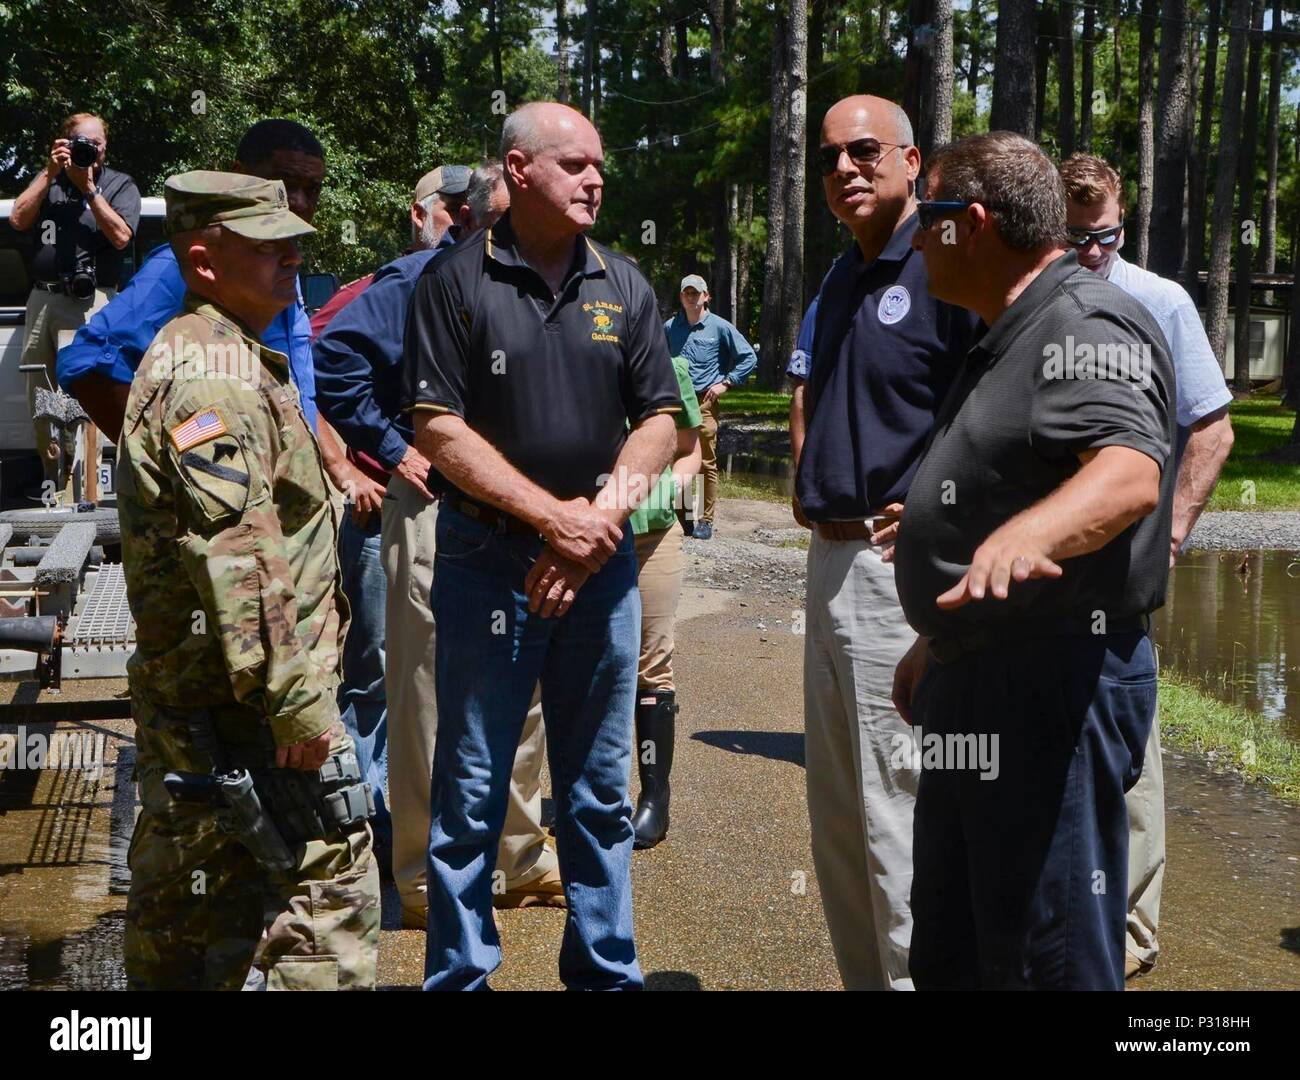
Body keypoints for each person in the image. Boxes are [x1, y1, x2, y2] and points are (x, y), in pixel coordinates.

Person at [403, 101, 680, 990]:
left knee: (599, 792)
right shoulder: (455, 282)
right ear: (519, 171)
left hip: (600, 571)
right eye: (576, 164)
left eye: (601, 165)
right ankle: (460, 975)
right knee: (473, 791)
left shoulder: (624, 283)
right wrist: (548, 519)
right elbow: (438, 427)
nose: (596, 178)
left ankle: (604, 972)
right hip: (486, 566)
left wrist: (597, 522)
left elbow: (663, 420)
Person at [893, 131, 1175, 990]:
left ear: (971, 224)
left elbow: (1129, 472)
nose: (913, 239)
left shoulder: (1080, 319)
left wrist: (1028, 538)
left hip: (1053, 687)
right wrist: (940, 634)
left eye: (926, 218)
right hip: (983, 673)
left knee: (1043, 955)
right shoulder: (1009, 329)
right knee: (958, 943)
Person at [118, 171, 379, 990]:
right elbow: (237, 550)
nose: (292, 254)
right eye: (267, 246)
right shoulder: (213, 377)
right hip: (254, 717)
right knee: (326, 914)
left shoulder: (229, 352)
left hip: (224, 708)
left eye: (293, 240)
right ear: (203, 262)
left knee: (196, 928)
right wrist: (298, 703)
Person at [313, 161, 563, 921]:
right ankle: (421, 877)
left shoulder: (546, 285)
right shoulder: (418, 279)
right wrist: (394, 451)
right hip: (430, 508)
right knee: (419, 691)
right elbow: (331, 360)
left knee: (522, 694)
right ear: (476, 215)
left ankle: (521, 859)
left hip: (520, 510)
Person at [790, 95, 979, 991]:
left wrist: (950, 509)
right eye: (829, 159)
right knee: (836, 817)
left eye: (864, 151)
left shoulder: (946, 266)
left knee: (895, 806)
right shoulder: (839, 279)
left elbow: (998, 411)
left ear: (912, 160)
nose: (845, 170)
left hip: (893, 568)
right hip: (829, 563)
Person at [1059, 153, 1235, 980]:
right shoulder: (1043, 299)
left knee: (1131, 755)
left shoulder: (1161, 301)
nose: (1093, 253)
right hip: (1050, 569)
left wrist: (1172, 535)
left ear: (1124, 223)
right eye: (1078, 237)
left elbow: (1213, 428)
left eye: (1107, 237)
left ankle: (1129, 936)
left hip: (1126, 573)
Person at [57, 118, 325, 442]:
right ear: (239, 173)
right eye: (283, 183)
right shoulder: (191, 266)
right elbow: (88, 363)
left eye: (312, 189)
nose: (297, 202)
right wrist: (170, 458)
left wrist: (337, 466)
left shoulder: (283, 266)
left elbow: (292, 386)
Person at [10, 112, 140, 481]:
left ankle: (89, 482)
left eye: (98, 143)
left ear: (106, 146)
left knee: (89, 388)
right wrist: (49, 173)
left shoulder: (118, 184)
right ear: (64, 143)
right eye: (84, 143)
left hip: (92, 302)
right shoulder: (49, 182)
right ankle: (54, 476)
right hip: (42, 301)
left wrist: (90, 190)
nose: (93, 150)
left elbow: (121, 237)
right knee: (43, 395)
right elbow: (18, 219)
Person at [626, 353, 702, 848]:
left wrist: (671, 485)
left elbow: (692, 449)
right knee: (590, 666)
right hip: (587, 536)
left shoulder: (670, 367)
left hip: (653, 537)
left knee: (652, 665)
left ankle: (655, 798)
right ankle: (595, 794)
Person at [663, 274, 756, 539]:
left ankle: (706, 520)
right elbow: (654, 354)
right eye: (686, 293)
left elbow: (748, 357)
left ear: (706, 296)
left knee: (705, 462)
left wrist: (726, 383)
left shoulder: (720, 327)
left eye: (696, 293)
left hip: (704, 402)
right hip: (675, 404)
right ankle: (683, 518)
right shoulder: (670, 327)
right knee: (673, 460)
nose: (691, 297)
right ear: (681, 297)